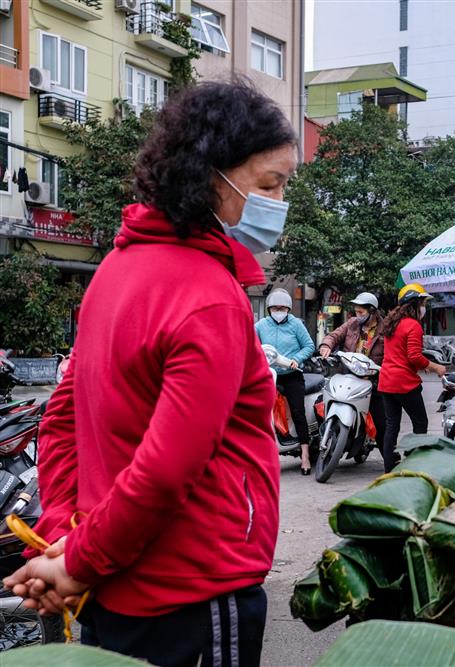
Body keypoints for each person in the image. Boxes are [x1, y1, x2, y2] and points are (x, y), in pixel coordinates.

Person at [1, 80, 296, 666]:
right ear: (213, 176)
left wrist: (68, 540)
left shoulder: (114, 270)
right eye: (270, 184)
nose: (280, 203)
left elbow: (61, 422)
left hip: (112, 585)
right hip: (193, 593)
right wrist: (77, 560)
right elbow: (166, 471)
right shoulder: (209, 296)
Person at [377, 284, 446, 472]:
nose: (424, 307)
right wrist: (436, 367)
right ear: (414, 304)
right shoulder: (413, 325)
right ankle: (416, 464)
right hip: (404, 383)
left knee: (392, 426)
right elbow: (414, 356)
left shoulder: (392, 323)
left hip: (386, 382)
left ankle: (389, 467)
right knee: (420, 423)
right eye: (423, 303)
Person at [255, 288, 316, 474]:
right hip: (268, 375)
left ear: (289, 309)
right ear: (269, 309)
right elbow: (252, 346)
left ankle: (305, 455)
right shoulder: (260, 326)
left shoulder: (296, 324)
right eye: (275, 308)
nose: (279, 311)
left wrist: (296, 359)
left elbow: (309, 345)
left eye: (283, 308)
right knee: (260, 414)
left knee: (298, 413)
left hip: (292, 374)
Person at [318, 292, 386, 457]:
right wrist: (326, 345)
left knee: (382, 420)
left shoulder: (385, 329)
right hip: (347, 375)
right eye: (356, 312)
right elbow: (335, 335)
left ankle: (389, 456)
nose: (358, 316)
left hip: (372, 380)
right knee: (322, 403)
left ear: (372, 311)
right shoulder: (352, 324)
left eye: (361, 312)